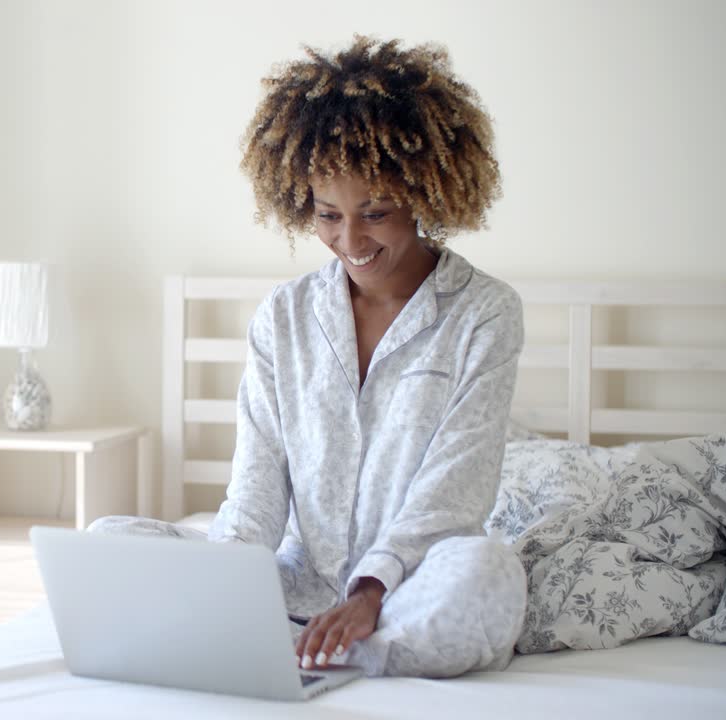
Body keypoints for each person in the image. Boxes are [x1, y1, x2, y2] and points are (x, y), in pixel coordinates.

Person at [88, 36, 527, 679]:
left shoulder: (484, 312)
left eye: (375, 212)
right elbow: (255, 491)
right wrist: (225, 587)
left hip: (410, 587)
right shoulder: (284, 317)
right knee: (107, 541)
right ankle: (268, 636)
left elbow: (453, 495)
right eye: (328, 215)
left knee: (489, 570)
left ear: (425, 194)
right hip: (294, 587)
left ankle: (340, 649)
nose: (350, 240)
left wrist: (370, 593)